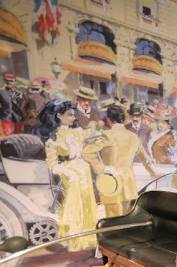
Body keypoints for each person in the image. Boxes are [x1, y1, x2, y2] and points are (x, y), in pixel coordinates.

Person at [36, 99, 98, 251]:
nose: (73, 118)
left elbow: (92, 134)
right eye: (69, 115)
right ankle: (74, 238)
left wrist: (93, 125)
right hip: (68, 170)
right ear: (58, 116)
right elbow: (52, 164)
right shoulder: (53, 139)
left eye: (73, 115)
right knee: (74, 201)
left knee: (87, 200)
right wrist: (67, 172)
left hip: (83, 168)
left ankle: (88, 236)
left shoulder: (77, 132)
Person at [82, 104, 158, 217]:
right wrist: (153, 173)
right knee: (126, 219)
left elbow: (85, 152)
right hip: (129, 185)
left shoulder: (107, 135)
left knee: (112, 220)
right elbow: (145, 158)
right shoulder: (133, 136)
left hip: (111, 183)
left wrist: (101, 168)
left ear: (108, 119)